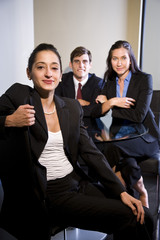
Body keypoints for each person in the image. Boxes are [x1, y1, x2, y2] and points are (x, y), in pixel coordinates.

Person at [0, 43, 154, 240]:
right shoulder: (19, 95)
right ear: (29, 73)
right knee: (131, 218)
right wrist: (9, 120)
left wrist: (121, 191)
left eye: (54, 67)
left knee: (144, 215)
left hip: (76, 182)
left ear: (60, 74)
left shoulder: (71, 108)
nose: (48, 73)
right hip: (50, 193)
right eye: (41, 67)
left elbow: (91, 153)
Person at [92, 40, 160, 208]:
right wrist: (112, 102)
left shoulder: (144, 79)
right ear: (110, 61)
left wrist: (110, 104)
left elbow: (138, 115)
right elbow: (96, 112)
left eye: (123, 58)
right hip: (122, 138)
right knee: (122, 156)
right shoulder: (108, 83)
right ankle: (140, 192)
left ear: (131, 60)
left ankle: (114, 194)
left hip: (145, 138)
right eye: (115, 58)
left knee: (112, 149)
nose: (119, 63)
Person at [55, 46, 104, 140]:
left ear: (90, 65)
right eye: (77, 61)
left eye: (85, 61)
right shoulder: (61, 80)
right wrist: (77, 102)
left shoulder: (98, 83)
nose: (81, 65)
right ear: (71, 64)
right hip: (64, 127)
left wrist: (68, 105)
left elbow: (96, 111)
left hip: (91, 130)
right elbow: (55, 103)